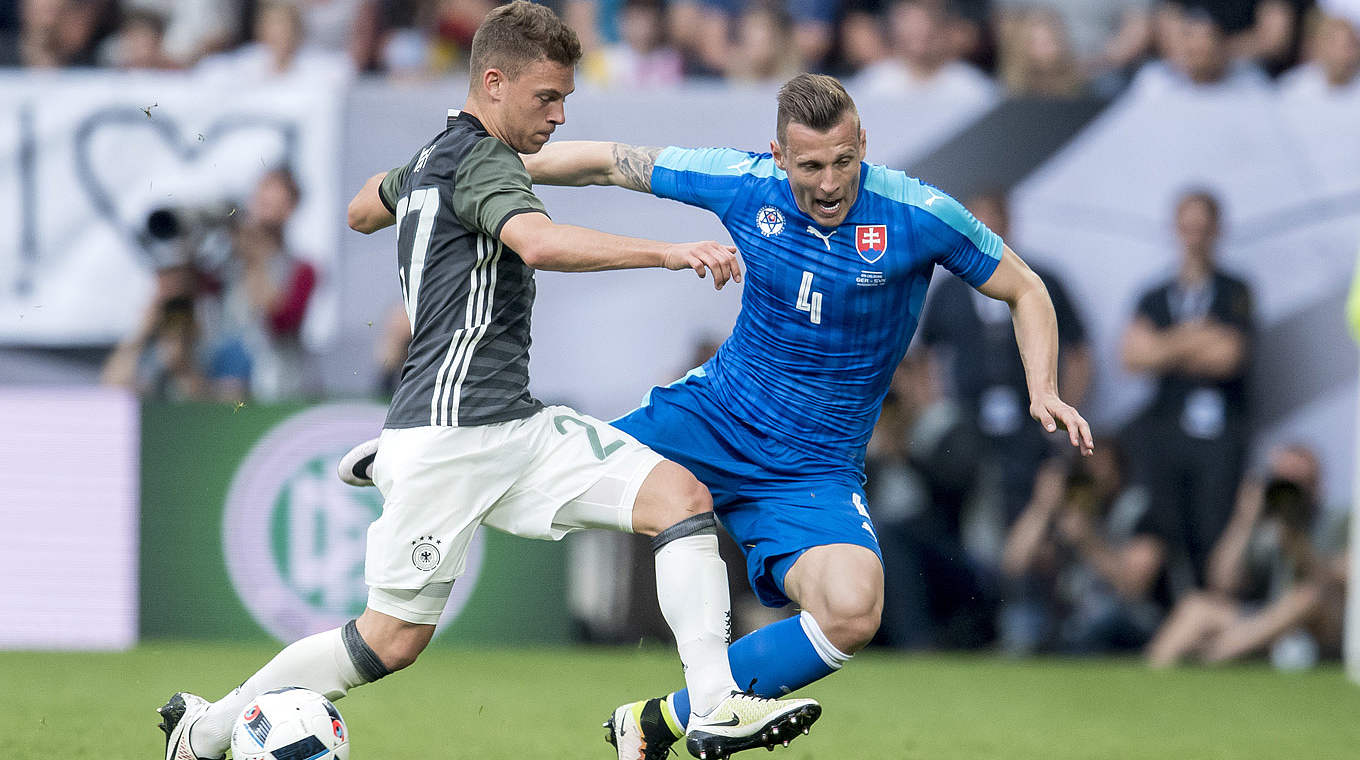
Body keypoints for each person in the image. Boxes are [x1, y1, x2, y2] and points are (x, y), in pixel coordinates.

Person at [340, 72, 1093, 760]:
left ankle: (663, 719)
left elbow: (1025, 288)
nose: (829, 184)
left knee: (853, 608)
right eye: (809, 166)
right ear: (778, 155)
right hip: (711, 419)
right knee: (532, 473)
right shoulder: (743, 181)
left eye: (843, 162)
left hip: (813, 469)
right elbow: (609, 160)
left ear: (863, 145)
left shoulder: (919, 213)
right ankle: (422, 447)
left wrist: (1045, 387)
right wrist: (456, 177)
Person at [157, 5, 815, 760]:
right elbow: (536, 242)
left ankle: (713, 706)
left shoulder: (443, 156)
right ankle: (207, 733)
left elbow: (359, 206)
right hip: (451, 436)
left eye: (566, 99)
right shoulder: (481, 160)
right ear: (493, 83)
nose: (561, 116)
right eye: (547, 98)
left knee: (681, 499)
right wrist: (667, 254)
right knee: (388, 642)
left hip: (514, 425)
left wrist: (416, 184)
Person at [1120, 189, 1254, 588]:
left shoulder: (1235, 291)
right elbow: (1133, 357)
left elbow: (1229, 356)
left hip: (1220, 434)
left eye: (1202, 227)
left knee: (1214, 527)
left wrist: (1165, 345)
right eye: (1187, 227)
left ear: (1216, 230)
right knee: (1167, 526)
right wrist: (1198, 334)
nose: (1194, 236)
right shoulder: (1155, 295)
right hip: (1166, 431)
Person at [1146, 444, 1347, 667]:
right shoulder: (1264, 527)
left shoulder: (1337, 521)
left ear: (1316, 486)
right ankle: (1150, 676)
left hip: (1319, 628)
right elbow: (1221, 581)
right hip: (1263, 624)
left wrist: (1296, 541)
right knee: (1196, 606)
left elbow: (1338, 578)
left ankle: (1210, 655)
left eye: (1299, 482)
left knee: (1307, 596)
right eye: (1282, 481)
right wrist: (1244, 519)